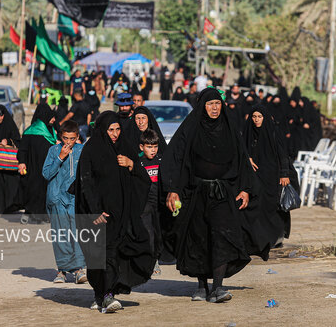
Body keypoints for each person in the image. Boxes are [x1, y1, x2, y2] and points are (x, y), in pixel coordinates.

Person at [161, 88, 268, 303]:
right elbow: (175, 156)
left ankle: (218, 288)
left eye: (217, 104)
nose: (214, 108)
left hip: (223, 194)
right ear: (202, 106)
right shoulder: (191, 128)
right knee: (199, 238)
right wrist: (173, 189)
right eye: (210, 104)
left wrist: (245, 188)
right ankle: (202, 286)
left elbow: (241, 158)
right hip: (195, 193)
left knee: (221, 237)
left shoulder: (229, 128)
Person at [75, 111, 155, 312]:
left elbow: (143, 179)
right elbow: (85, 183)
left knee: (112, 255)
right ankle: (99, 294)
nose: (115, 133)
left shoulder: (125, 147)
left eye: (118, 129)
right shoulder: (91, 150)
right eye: (111, 129)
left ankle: (109, 295)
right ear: (102, 129)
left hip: (120, 214)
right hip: (97, 215)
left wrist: (131, 165)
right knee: (96, 258)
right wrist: (95, 211)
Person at [243, 105, 296, 248]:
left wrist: (284, 174)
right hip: (255, 176)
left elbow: (282, 154)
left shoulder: (273, 131)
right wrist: (247, 158)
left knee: (272, 207)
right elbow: (241, 150)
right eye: (254, 117)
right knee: (257, 206)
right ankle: (258, 238)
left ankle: (274, 237)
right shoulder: (249, 132)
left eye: (259, 117)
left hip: (272, 176)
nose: (256, 120)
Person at [42, 120, 87, 284]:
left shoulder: (82, 151)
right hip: (56, 198)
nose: (69, 142)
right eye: (66, 138)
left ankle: (79, 269)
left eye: (72, 139)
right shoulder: (53, 151)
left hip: (75, 198)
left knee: (76, 233)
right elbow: (46, 173)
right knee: (61, 234)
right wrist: (60, 158)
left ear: (77, 138)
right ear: (60, 137)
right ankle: (62, 271)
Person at [18, 103, 57, 224]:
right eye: (51, 116)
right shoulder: (30, 131)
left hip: (47, 166)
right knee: (33, 189)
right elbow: (22, 149)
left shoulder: (50, 130)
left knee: (46, 190)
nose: (54, 119)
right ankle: (28, 212)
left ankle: (43, 215)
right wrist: (22, 162)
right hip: (32, 166)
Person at [138, 129, 163, 274]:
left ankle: (158, 255)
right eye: (149, 147)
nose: (152, 150)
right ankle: (152, 262)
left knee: (159, 232)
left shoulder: (161, 161)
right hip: (144, 204)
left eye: (155, 147)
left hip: (159, 203)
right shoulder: (138, 162)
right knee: (148, 232)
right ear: (142, 147)